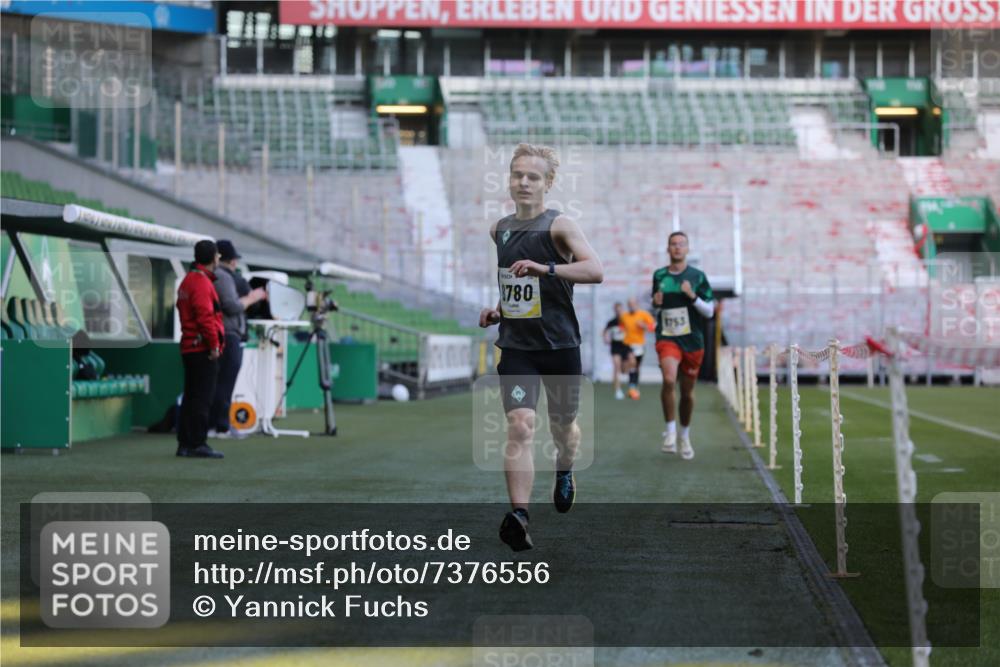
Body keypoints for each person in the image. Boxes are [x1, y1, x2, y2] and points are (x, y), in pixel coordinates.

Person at [479, 143, 603, 552]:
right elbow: (516, 284)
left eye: (532, 176)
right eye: (517, 175)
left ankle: (564, 470)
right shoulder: (500, 229)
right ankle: (519, 515)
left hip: (560, 346)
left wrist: (546, 267)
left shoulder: (560, 226)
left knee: (563, 428)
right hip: (518, 348)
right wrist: (500, 309)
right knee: (520, 424)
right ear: (509, 180)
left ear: (548, 183)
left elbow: (594, 270)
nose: (524, 182)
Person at [651, 231, 715, 460]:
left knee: (687, 392)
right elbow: (655, 308)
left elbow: (710, 311)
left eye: (681, 244)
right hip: (668, 338)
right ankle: (669, 432)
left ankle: (684, 435)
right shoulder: (659, 275)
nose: (677, 248)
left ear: (688, 249)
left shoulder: (697, 277)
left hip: (693, 341)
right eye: (673, 244)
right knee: (669, 379)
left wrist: (692, 296)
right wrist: (655, 304)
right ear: (667, 249)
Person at [208, 240, 267, 439]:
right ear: (232, 260)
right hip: (227, 334)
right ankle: (221, 427)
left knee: (221, 383)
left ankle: (217, 425)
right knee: (224, 383)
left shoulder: (218, 275)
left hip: (223, 334)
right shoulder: (223, 277)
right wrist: (254, 297)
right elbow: (232, 306)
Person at [176, 240, 226, 459]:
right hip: (201, 349)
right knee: (202, 399)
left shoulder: (189, 280)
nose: (219, 258)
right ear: (212, 257)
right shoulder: (201, 283)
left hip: (190, 347)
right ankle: (197, 443)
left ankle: (186, 443)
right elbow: (206, 318)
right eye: (217, 255)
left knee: (191, 397)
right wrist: (214, 345)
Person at [618, 297, 656, 400]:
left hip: (639, 345)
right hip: (627, 344)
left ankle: (634, 386)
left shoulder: (643, 315)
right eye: (629, 304)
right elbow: (621, 327)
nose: (631, 306)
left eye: (633, 304)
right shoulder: (624, 316)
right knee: (632, 363)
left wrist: (643, 325)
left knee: (636, 367)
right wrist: (619, 332)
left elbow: (653, 327)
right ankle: (632, 388)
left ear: (637, 304)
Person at [603, 302, 631, 400]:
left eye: (620, 310)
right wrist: (606, 338)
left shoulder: (626, 321)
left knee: (624, 369)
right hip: (615, 347)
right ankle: (617, 390)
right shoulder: (612, 322)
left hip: (625, 346)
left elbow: (632, 331)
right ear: (615, 311)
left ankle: (631, 387)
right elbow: (605, 332)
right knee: (616, 367)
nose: (619, 312)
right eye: (617, 310)